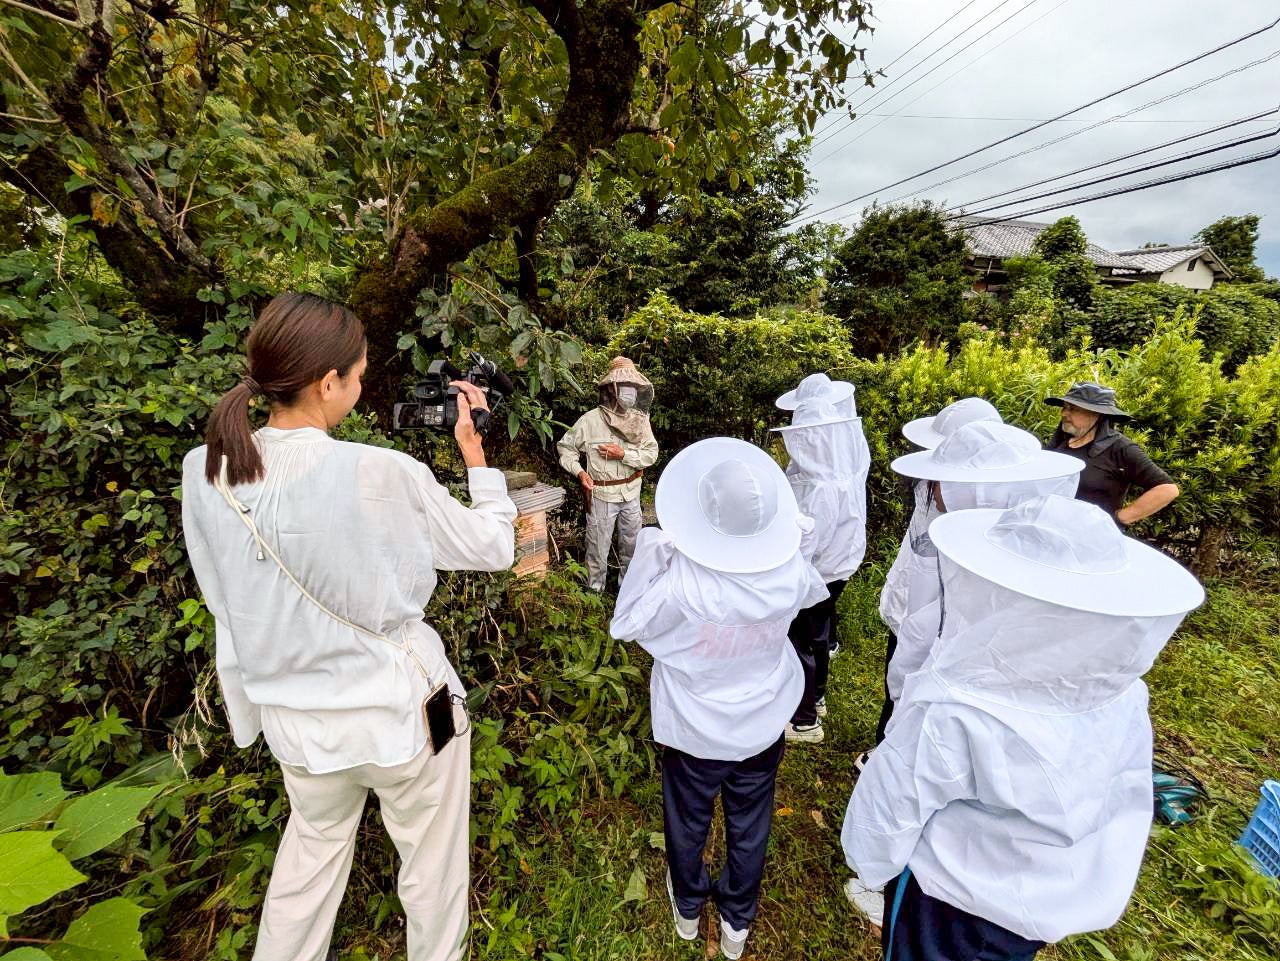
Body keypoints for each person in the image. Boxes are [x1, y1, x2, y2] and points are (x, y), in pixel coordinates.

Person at [181, 293, 516, 961]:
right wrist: (477, 455)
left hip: (299, 727)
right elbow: (493, 547)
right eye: (359, 376)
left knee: (308, 860)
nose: (361, 389)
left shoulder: (207, 469)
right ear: (327, 382)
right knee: (433, 872)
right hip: (406, 718)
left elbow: (224, 601)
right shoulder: (380, 471)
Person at [841, 494, 1204, 961]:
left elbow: (891, 804)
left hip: (949, 899)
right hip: (1048, 899)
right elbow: (1125, 788)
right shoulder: (1123, 691)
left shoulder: (958, 708)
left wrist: (870, 866)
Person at [846, 419, 1081, 928]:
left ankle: (891, 884)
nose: (931, 495)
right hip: (1026, 845)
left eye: (941, 486)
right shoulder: (1045, 553)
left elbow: (927, 639)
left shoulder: (995, 565)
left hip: (964, 829)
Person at [609, 437, 827, 961]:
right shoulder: (791, 573)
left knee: (688, 820)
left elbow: (628, 621)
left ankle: (688, 908)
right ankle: (737, 922)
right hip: (761, 725)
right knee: (750, 823)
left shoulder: (680, 586)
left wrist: (653, 552)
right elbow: (810, 564)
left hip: (695, 729)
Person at [875, 398, 1004, 756]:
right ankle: (886, 745)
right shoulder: (934, 492)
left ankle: (897, 751)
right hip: (912, 602)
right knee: (898, 679)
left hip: (947, 629)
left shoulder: (988, 514)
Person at [770, 398, 867, 743]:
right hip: (839, 565)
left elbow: (812, 540)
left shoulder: (823, 487)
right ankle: (819, 696)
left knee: (801, 641)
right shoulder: (837, 469)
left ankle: (805, 719)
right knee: (818, 634)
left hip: (820, 570)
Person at [776, 372, 871, 661]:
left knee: (812, 621)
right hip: (848, 550)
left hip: (825, 561)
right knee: (827, 605)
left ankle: (814, 692)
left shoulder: (822, 488)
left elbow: (815, 538)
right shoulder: (846, 450)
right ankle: (829, 643)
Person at [557, 356, 659, 591]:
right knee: (597, 548)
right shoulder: (590, 421)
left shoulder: (641, 421)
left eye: (633, 387)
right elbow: (566, 448)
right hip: (601, 495)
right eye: (625, 386)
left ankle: (629, 592)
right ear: (612, 389)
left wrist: (622, 454)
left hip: (631, 494)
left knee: (632, 547)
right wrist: (581, 473)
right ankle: (594, 594)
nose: (630, 392)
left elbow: (651, 454)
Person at [1046, 382, 1179, 525]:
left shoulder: (1121, 449)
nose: (1064, 413)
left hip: (1089, 538)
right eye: (1065, 407)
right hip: (1051, 528)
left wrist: (1119, 518)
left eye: (1073, 409)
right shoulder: (1061, 441)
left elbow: (1167, 489)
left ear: (1096, 414)